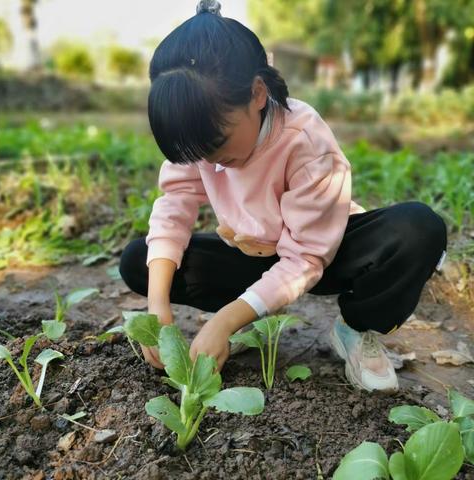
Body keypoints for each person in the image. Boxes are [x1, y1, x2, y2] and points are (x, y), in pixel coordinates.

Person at [120, 0, 447, 393]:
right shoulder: (199, 135)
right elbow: (174, 205)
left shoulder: (303, 138)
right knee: (142, 260)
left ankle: (356, 329)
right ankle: (253, 305)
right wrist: (157, 307)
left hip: (326, 255)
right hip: (252, 255)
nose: (208, 161)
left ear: (257, 94)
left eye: (217, 145)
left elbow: (306, 257)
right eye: (197, 153)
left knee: (417, 229)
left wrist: (224, 321)